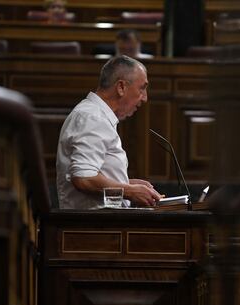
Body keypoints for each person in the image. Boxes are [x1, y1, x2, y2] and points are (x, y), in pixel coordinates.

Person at [56, 55, 162, 209]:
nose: (145, 98)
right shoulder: (92, 118)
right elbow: (83, 178)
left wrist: (124, 182)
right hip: (93, 229)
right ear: (121, 87)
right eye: (142, 88)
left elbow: (91, 174)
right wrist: (130, 191)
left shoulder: (96, 115)